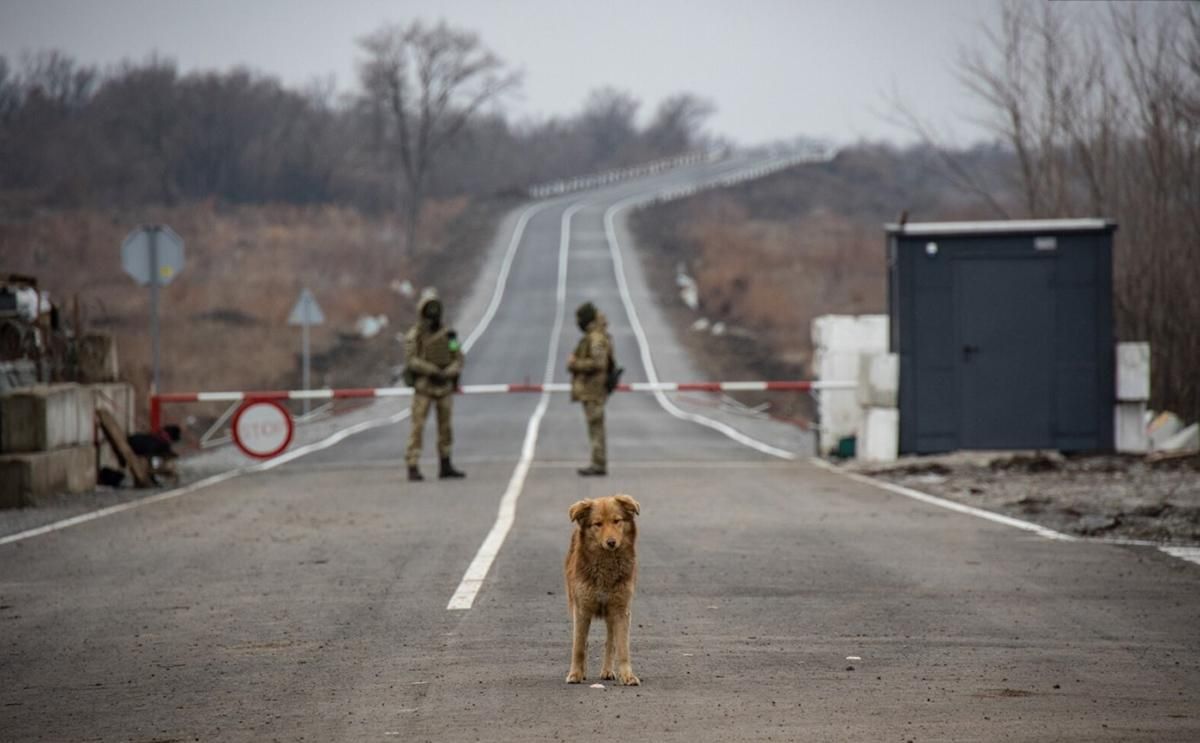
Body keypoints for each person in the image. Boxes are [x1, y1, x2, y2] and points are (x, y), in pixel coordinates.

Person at [403, 288, 465, 481]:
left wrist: (449, 372)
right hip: (424, 387)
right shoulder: (416, 335)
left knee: (446, 427)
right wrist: (431, 370)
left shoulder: (449, 336)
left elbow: (458, 357)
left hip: (444, 386)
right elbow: (411, 360)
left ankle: (445, 463)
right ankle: (412, 464)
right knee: (418, 427)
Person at [567, 301, 612, 476]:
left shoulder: (596, 338)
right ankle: (597, 461)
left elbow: (598, 363)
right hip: (591, 389)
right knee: (594, 426)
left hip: (594, 389)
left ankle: (598, 463)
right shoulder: (594, 336)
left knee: (596, 426)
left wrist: (575, 364)